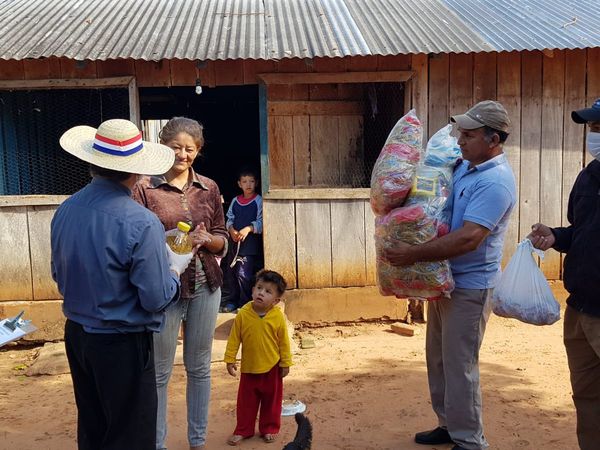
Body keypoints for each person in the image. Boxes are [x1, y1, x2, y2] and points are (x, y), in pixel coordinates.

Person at [51, 118, 193, 450]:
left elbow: (59, 275)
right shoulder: (141, 222)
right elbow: (156, 298)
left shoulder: (66, 210)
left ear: (93, 164)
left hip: (78, 336)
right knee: (130, 434)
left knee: (94, 426)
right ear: (134, 171)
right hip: (121, 343)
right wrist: (173, 268)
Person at [383, 101, 516, 450]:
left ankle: (470, 441)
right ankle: (448, 424)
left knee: (461, 367)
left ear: (493, 139)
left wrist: (412, 254)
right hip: (443, 281)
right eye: (460, 133)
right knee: (439, 360)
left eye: (469, 135)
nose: (460, 140)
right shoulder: (465, 168)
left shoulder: (496, 181)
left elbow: (470, 237)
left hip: (471, 287)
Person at [132, 117, 228, 450]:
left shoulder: (210, 188)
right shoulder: (144, 187)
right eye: (176, 148)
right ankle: (157, 443)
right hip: (164, 290)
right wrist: (165, 244)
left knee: (199, 367)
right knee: (159, 371)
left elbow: (222, 237)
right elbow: (136, 239)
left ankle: (197, 442)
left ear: (198, 151)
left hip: (206, 286)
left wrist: (209, 240)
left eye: (190, 149)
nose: (183, 155)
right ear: (163, 146)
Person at [528, 99, 600, 450]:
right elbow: (582, 230)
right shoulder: (589, 175)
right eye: (592, 128)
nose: (593, 135)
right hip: (580, 310)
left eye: (599, 127)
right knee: (587, 399)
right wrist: (557, 236)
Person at [224, 270, 292, 446]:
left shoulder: (277, 316)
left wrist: (286, 363)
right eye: (259, 288)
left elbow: (284, 342)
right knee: (246, 403)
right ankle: (243, 430)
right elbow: (234, 338)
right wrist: (230, 358)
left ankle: (269, 428)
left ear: (276, 301)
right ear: (253, 289)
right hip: (249, 368)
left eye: (268, 291)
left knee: (272, 402)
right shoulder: (243, 314)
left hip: (272, 368)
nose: (261, 293)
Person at [221, 168, 263, 312]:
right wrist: (231, 230)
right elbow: (229, 218)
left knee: (243, 274)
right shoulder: (235, 201)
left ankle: (244, 303)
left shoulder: (258, 200)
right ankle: (232, 301)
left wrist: (249, 229)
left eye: (251, 181)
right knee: (231, 272)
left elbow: (261, 221)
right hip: (234, 242)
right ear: (239, 184)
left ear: (256, 183)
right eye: (244, 181)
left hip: (249, 244)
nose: (248, 184)